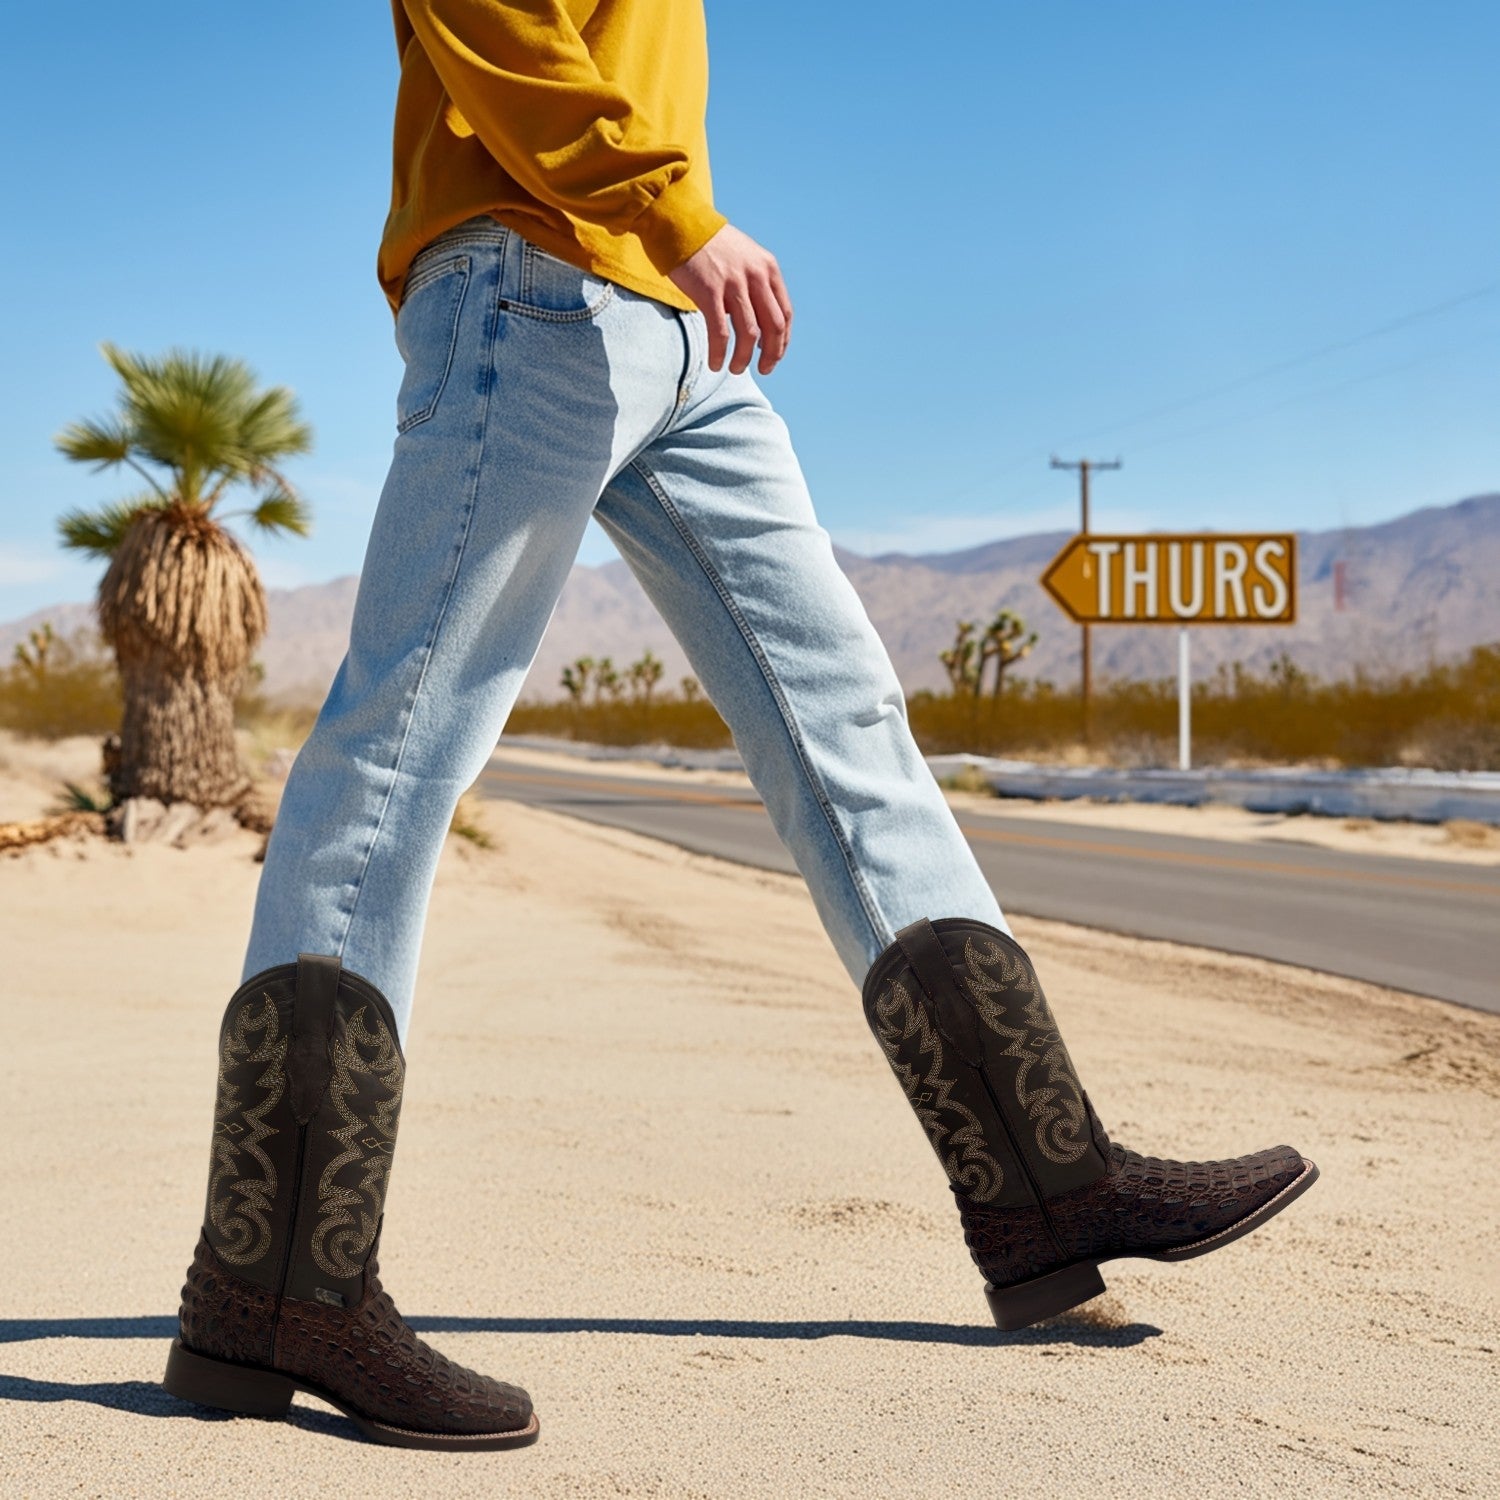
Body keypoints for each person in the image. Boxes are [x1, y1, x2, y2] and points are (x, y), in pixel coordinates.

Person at [159, 0, 1319, 1452]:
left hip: (681, 336)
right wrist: (673, 206)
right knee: (400, 745)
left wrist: (671, 235)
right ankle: (277, 1288)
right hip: (532, 278)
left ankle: (1046, 1183)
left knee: (848, 721)